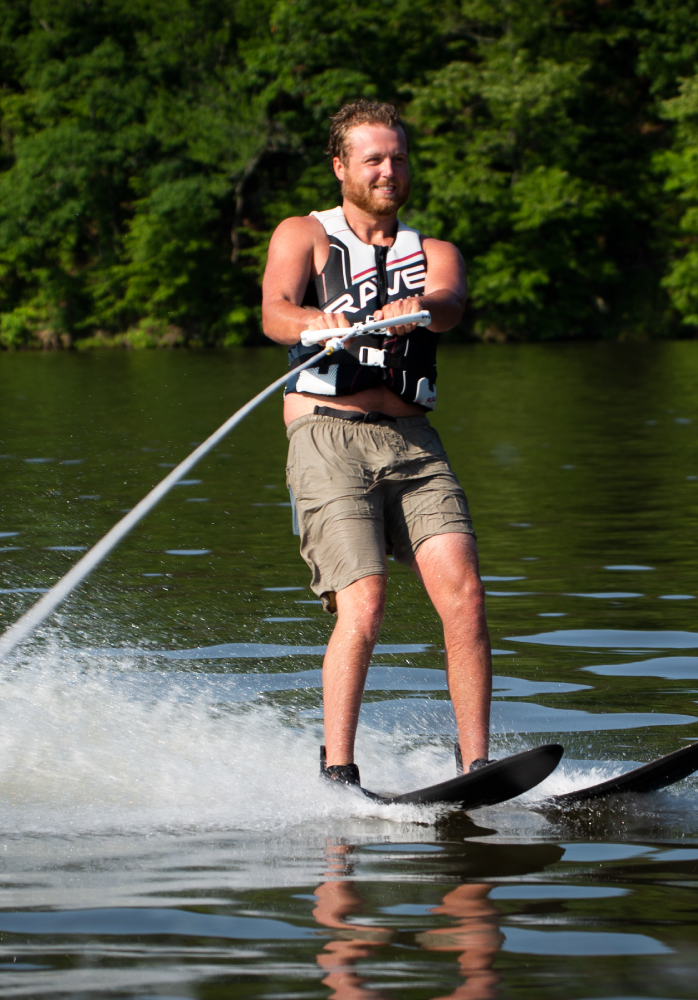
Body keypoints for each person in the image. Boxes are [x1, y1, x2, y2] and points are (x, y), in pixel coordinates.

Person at [261, 99, 492, 787]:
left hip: (413, 441)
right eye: (373, 159)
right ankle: (339, 772)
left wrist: (416, 309)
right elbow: (274, 312)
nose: (389, 170)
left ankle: (477, 764)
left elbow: (448, 303)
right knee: (364, 601)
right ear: (341, 168)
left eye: (397, 158)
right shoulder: (305, 236)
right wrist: (319, 323)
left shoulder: (435, 252)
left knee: (467, 594)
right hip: (327, 436)